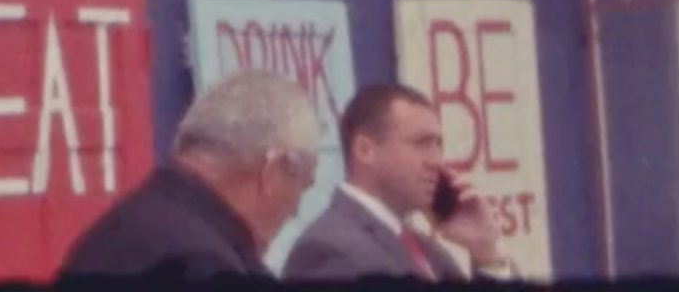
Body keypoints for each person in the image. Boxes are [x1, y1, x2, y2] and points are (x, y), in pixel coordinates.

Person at [58, 69, 320, 278]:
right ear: (272, 172)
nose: (295, 210)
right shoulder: (206, 265)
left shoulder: (112, 232)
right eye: (303, 184)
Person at [282, 83, 516, 281]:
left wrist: (487, 253)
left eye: (438, 146)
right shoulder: (329, 250)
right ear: (365, 150)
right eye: (421, 144)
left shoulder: (431, 253)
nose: (436, 161)